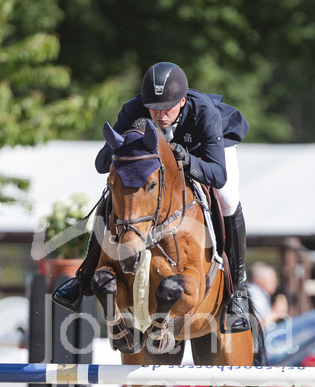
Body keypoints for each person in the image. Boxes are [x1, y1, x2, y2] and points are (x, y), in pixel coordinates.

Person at [52, 62, 253, 332]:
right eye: (153, 108)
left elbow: (218, 175)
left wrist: (189, 160)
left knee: (227, 198)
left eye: (167, 108)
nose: (159, 115)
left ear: (182, 101)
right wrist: (120, 147)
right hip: (156, 159)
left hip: (203, 149)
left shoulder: (204, 113)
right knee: (114, 189)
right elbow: (102, 164)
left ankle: (238, 293)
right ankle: (85, 276)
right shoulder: (134, 109)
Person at [247, 262, 288, 328]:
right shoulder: (255, 294)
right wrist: (275, 313)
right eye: (272, 279)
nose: (275, 282)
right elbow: (255, 328)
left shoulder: (261, 293)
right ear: (258, 280)